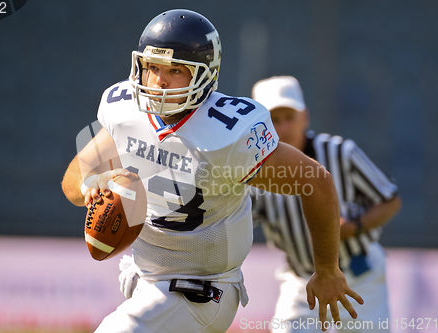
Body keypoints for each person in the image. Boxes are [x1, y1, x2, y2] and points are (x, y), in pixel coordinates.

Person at [61, 10, 363, 333]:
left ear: (204, 75)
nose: (159, 80)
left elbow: (315, 182)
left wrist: (328, 268)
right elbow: (75, 177)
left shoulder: (227, 135)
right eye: (152, 68)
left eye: (176, 70)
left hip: (202, 289)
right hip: (145, 278)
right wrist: (95, 183)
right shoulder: (126, 112)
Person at [251, 76, 401, 332]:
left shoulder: (341, 152)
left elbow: (389, 200)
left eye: (289, 117)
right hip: (302, 282)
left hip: (358, 275)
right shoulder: (252, 166)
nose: (283, 127)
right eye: (274, 120)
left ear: (305, 117)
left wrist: (354, 227)